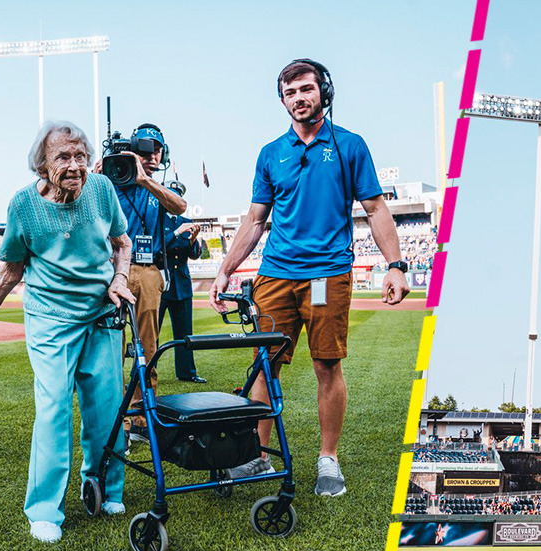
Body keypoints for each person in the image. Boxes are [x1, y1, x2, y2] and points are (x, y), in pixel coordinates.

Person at [210, 59, 410, 497]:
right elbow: (255, 220)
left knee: (326, 365)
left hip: (327, 276)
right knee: (265, 366)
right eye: (290, 93)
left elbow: (375, 209)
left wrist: (395, 264)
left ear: (324, 91)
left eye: (306, 89)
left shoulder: (350, 145)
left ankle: (328, 460)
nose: (299, 98)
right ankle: (256, 457)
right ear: (282, 100)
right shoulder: (270, 153)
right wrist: (225, 270)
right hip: (275, 275)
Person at [0, 121, 132, 543]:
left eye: (80, 156)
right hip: (51, 320)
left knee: (106, 409)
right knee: (54, 410)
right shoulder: (23, 206)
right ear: (42, 164)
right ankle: (44, 509)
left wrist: (120, 279)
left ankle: (105, 487)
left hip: (100, 315)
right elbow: (11, 269)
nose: (75, 166)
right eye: (63, 157)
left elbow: (122, 242)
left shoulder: (102, 189)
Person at [97, 124, 187, 442]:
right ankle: (116, 420)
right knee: (111, 347)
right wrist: (99, 174)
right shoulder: (110, 181)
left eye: (156, 151)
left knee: (146, 347)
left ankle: (142, 417)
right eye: (144, 152)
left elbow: (181, 207)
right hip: (112, 270)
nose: (150, 157)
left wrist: (145, 180)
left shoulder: (152, 186)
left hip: (148, 271)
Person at [157, 180, 205, 383]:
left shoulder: (185, 220)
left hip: (181, 284)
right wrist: (177, 233)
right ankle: (147, 373)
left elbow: (194, 255)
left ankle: (187, 373)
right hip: (160, 283)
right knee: (152, 332)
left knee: (185, 332)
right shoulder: (155, 220)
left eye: (177, 195)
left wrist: (193, 240)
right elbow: (157, 248)